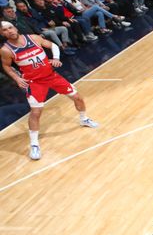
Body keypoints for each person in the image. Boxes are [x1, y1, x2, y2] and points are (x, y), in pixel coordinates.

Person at [0, 22, 99, 160]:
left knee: (78, 97)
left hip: (51, 76)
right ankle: (34, 145)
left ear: (15, 28)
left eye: (10, 27)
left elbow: (52, 45)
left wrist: (56, 58)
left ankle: (84, 119)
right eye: (5, 30)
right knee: (36, 112)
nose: (9, 31)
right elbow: (7, 66)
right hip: (34, 83)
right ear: (2, 33)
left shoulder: (34, 38)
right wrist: (16, 78)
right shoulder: (6, 50)